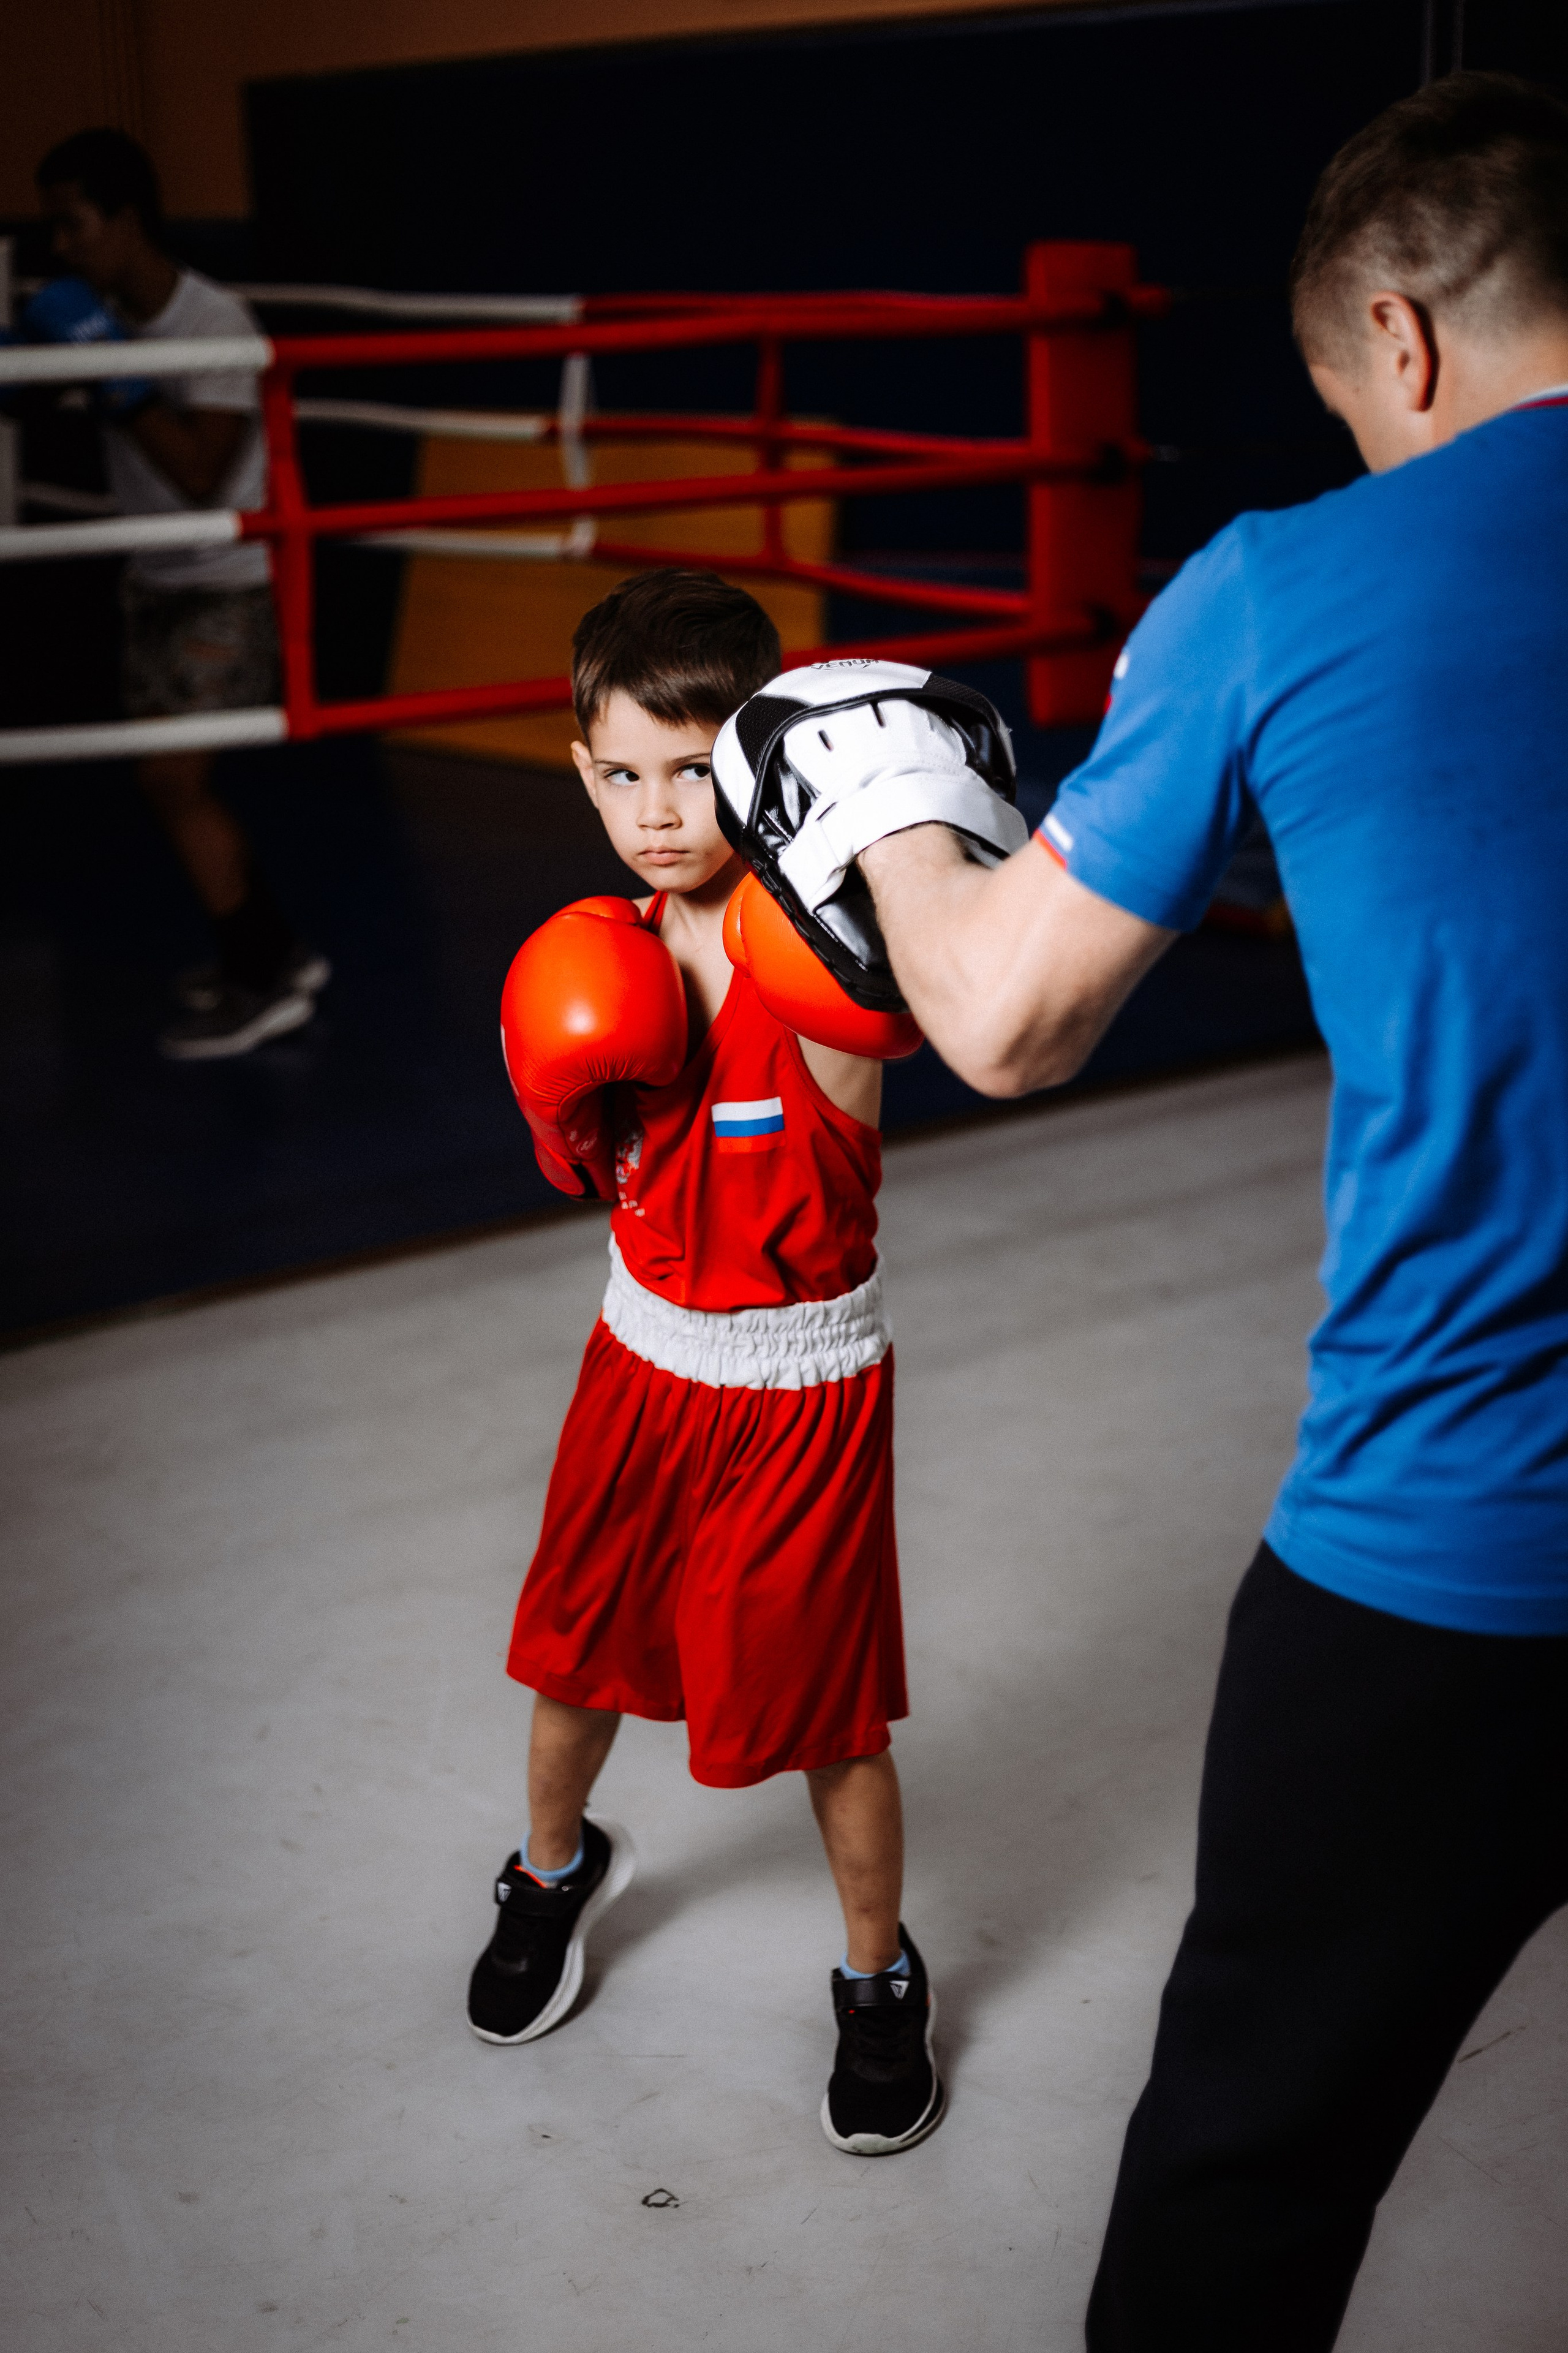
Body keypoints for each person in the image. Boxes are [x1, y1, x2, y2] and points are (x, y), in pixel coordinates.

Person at [714, 72, 1568, 2347]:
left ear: (1396, 340)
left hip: (1461, 1554)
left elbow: (1006, 1022)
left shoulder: (1287, 582)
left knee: (1242, 2191)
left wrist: (880, 785)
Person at [467, 568, 945, 2158]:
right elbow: (596, 1167)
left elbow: (898, 1015)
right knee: (573, 1656)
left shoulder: (814, 948)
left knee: (830, 1717)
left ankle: (877, 1979)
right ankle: (551, 1870)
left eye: (693, 769)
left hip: (800, 1390)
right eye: (623, 773)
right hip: (638, 1364)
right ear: (582, 762)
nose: (657, 811)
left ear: (752, 762)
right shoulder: (598, 952)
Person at [32, 128, 326, 1061]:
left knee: (172, 778)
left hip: (227, 587)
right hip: (152, 582)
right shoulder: (98, 311)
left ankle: (262, 982)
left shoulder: (215, 325)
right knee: (170, 789)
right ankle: (274, 950)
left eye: (75, 225)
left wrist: (111, 370)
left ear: (127, 219)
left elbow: (203, 470)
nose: (63, 248)